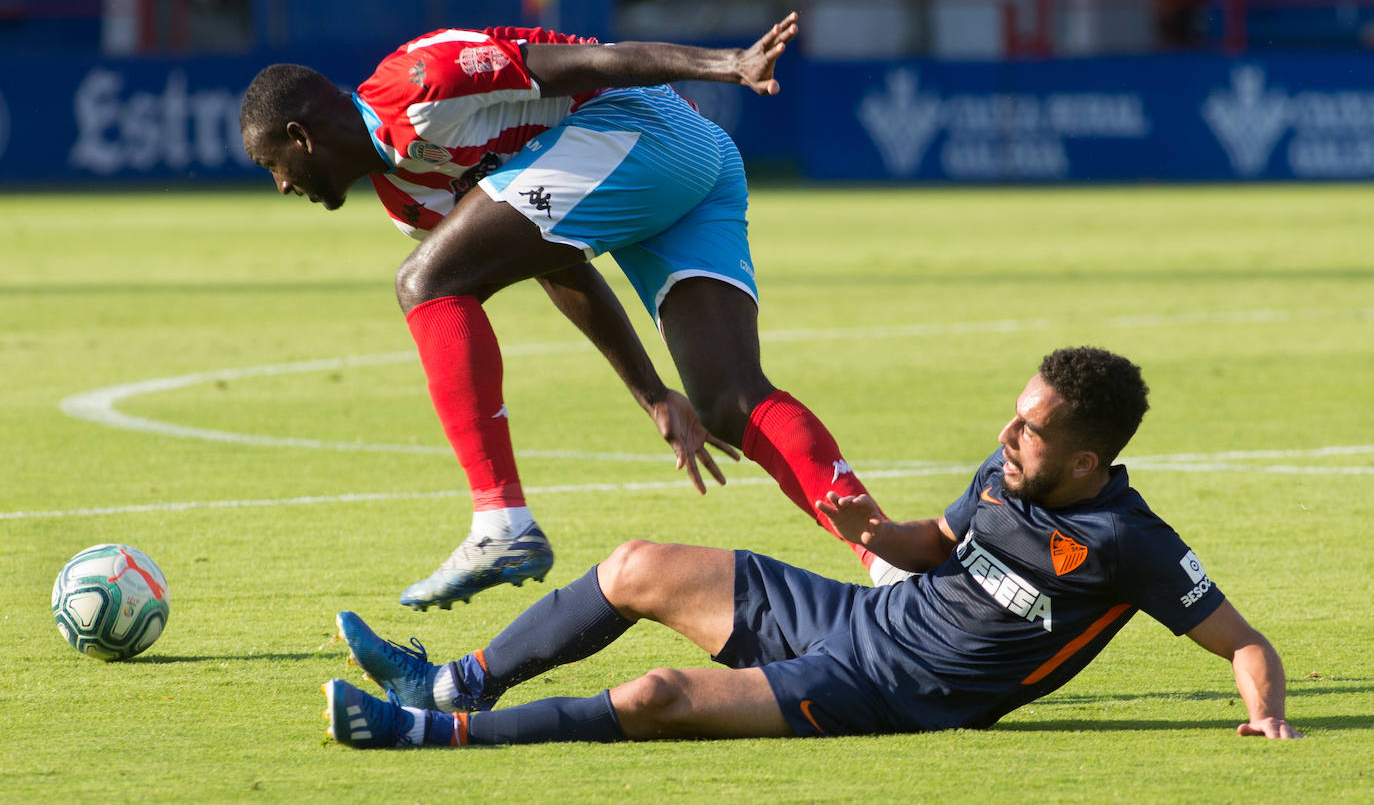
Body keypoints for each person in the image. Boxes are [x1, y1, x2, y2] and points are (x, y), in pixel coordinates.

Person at [239, 13, 906, 611]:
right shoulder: (406, 203)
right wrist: (651, 395)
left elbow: (592, 61)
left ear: (300, 138)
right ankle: (891, 560)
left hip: (643, 126)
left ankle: (500, 521)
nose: (282, 186)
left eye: (274, 166)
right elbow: (554, 261)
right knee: (729, 399)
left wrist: (726, 64)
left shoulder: (419, 80)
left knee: (426, 283)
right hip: (688, 169)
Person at [321, 346, 1301, 747]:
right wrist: (880, 534)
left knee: (657, 695)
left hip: (899, 695)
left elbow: (1247, 644)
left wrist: (1265, 719)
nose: (1008, 436)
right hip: (860, 617)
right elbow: (937, 545)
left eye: (1031, 430)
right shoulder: (1006, 476)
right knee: (635, 565)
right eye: (1013, 416)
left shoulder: (1129, 541)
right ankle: (450, 684)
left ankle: (423, 738)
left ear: (1086, 457)